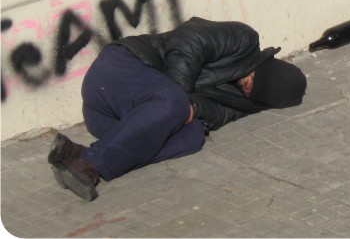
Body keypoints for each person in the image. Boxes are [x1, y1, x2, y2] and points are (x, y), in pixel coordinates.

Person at [47, 17, 307, 201]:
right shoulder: (243, 39)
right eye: (254, 79)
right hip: (119, 69)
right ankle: (91, 165)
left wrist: (189, 107)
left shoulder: (243, 103)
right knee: (174, 102)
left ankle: (81, 155)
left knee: (193, 137)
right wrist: (180, 99)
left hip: (114, 121)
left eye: (254, 91)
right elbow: (190, 37)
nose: (248, 85)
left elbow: (216, 115)